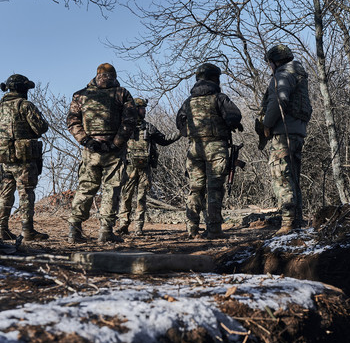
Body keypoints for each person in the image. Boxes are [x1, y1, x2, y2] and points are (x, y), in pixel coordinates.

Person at [66, 63, 138, 244]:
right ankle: (105, 231)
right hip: (113, 151)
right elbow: (130, 121)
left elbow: (72, 121)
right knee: (111, 189)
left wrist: (86, 141)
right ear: (114, 75)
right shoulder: (122, 93)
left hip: (91, 151)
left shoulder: (81, 95)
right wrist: (116, 143)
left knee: (86, 187)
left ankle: (74, 230)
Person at [176, 63, 242, 239]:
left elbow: (180, 123)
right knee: (214, 189)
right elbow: (234, 116)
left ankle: (191, 229)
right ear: (215, 78)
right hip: (215, 148)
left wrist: (190, 133)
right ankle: (213, 229)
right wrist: (230, 125)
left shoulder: (188, 102)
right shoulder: (219, 97)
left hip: (195, 148)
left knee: (195, 189)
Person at [257, 44, 311, 235]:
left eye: (270, 63)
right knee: (293, 177)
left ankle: (287, 223)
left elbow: (279, 100)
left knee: (282, 177)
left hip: (283, 133)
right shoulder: (298, 74)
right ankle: (296, 221)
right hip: (297, 132)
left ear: (275, 61)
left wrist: (266, 124)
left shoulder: (282, 75)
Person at [0, 74, 50, 241]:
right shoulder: (25, 105)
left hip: (5, 156)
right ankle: (27, 230)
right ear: (23, 89)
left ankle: (0, 229)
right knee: (25, 193)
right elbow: (41, 127)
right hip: (23, 158)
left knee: (5, 193)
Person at [115, 98, 181, 236]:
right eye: (141, 108)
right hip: (129, 167)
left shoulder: (149, 128)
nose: (144, 111)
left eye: (144, 108)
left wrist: (180, 132)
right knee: (126, 197)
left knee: (141, 198)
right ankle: (123, 225)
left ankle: (138, 227)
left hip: (145, 169)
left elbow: (164, 140)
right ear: (134, 110)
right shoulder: (125, 127)